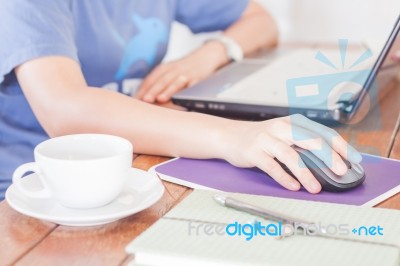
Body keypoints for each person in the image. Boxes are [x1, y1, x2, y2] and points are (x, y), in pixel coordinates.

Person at [0, 0, 362, 199]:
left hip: (137, 162)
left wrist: (210, 53)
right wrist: (234, 136)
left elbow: (260, 20)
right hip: (39, 184)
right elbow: (67, 112)